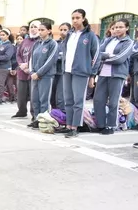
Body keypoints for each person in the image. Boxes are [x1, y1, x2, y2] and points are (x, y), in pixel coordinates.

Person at [62, 9, 100, 138]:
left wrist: (92, 75)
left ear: (83, 18)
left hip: (81, 72)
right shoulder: (70, 34)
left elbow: (96, 55)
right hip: (67, 71)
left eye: (77, 18)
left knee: (78, 101)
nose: (75, 20)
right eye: (73, 18)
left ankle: (75, 126)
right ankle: (68, 125)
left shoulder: (90, 35)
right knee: (68, 100)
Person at [93, 18, 134, 135]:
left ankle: (111, 125)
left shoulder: (128, 42)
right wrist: (107, 55)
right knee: (98, 100)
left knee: (113, 101)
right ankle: (101, 125)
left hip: (117, 74)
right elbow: (97, 53)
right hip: (103, 73)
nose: (117, 29)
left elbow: (119, 59)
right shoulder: (108, 40)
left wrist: (104, 58)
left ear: (127, 28)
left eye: (120, 27)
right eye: (115, 27)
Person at [28, 22, 58, 128]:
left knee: (44, 99)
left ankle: (44, 121)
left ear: (49, 31)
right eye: (39, 30)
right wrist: (32, 72)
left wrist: (39, 73)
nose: (40, 32)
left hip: (46, 76)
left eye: (42, 30)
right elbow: (31, 59)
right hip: (35, 76)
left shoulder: (53, 44)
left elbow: (50, 61)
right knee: (35, 99)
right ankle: (37, 119)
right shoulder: (37, 44)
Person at [13, 21, 40, 118]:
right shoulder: (25, 41)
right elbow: (18, 54)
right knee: (21, 93)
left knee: (33, 95)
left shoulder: (40, 41)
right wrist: (21, 64)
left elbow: (39, 56)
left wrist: (28, 65)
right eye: (31, 27)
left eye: (35, 27)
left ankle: (34, 114)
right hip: (22, 71)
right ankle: (21, 111)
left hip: (33, 71)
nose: (33, 29)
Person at [51, 23, 71, 112]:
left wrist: (59, 56)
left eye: (65, 30)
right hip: (54, 71)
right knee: (52, 96)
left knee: (60, 97)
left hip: (64, 72)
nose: (62, 32)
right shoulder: (56, 43)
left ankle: (62, 114)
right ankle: (55, 114)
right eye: (61, 30)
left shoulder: (70, 43)